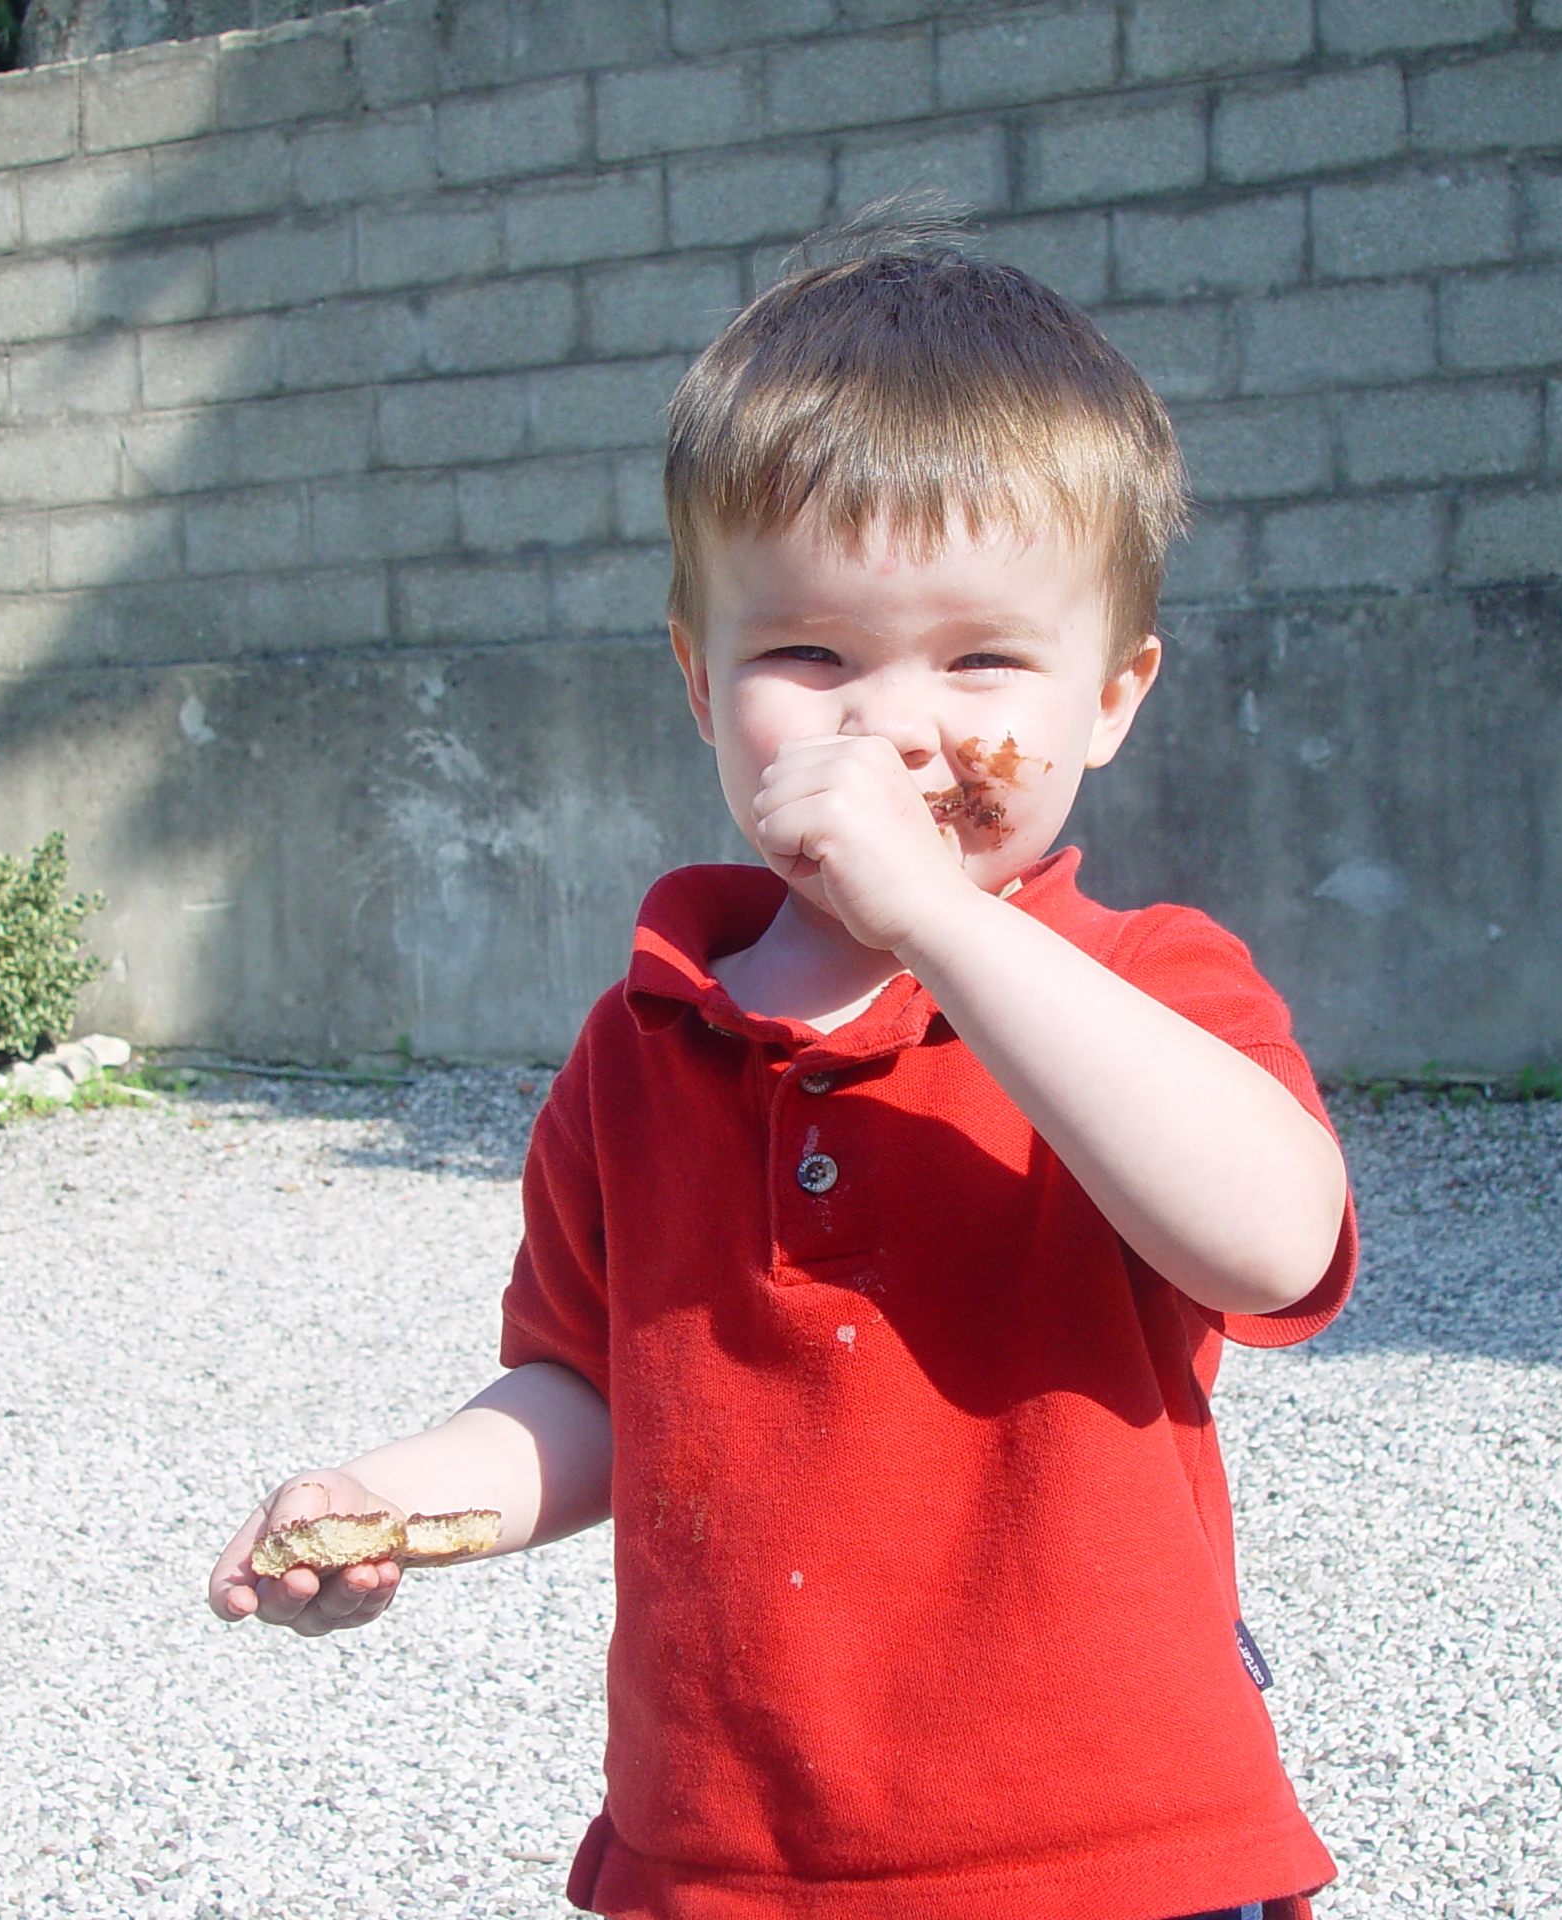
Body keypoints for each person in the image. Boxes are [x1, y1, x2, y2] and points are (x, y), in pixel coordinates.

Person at [209, 215, 1357, 1920]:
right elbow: (590, 1394)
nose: (888, 726)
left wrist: (947, 928)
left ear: (1113, 698)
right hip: (732, 1865)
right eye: (807, 656)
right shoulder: (642, 1046)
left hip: (1113, 1862)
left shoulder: (1139, 986)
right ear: (697, 678)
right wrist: (396, 1496)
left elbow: (1271, 1242)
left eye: (982, 658)